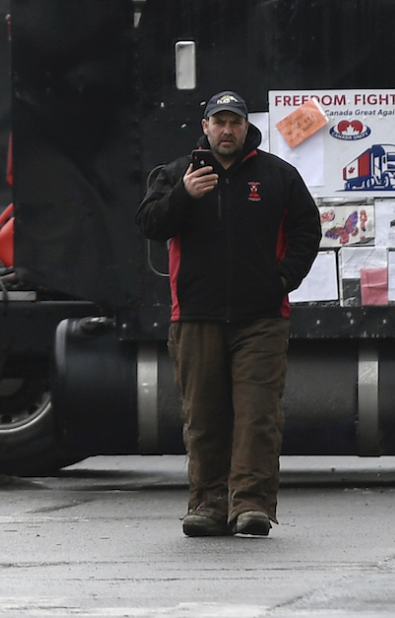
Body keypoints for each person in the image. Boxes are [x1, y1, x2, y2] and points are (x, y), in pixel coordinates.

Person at [136, 90, 322, 540]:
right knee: (203, 417)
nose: (226, 130)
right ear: (205, 127)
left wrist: (282, 281)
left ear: (245, 127)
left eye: (234, 122)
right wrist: (183, 195)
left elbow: (308, 229)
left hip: (261, 318)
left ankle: (251, 506)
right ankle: (207, 504)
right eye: (218, 122)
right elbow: (150, 224)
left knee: (257, 415)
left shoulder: (277, 175)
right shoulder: (178, 173)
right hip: (195, 317)